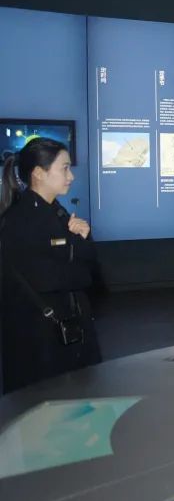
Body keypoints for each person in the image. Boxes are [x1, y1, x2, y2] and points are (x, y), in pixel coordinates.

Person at [0, 138, 101, 393]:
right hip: (38, 338)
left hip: (64, 330)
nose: (71, 176)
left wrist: (83, 237)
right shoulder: (20, 220)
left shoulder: (56, 212)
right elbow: (52, 278)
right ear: (38, 173)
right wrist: (79, 264)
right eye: (64, 168)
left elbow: (88, 263)